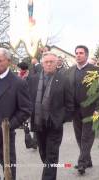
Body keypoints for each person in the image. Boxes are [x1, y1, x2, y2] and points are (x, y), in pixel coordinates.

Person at [0, 47, 32, 180]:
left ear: (8, 61)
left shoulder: (18, 83)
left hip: (3, 136)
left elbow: (26, 109)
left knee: (8, 170)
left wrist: (8, 126)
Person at [28, 52, 74, 180]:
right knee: (43, 154)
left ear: (56, 63)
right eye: (46, 62)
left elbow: (70, 104)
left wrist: (61, 119)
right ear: (42, 63)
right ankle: (50, 173)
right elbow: (28, 100)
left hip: (54, 124)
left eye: (51, 62)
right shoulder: (33, 79)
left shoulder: (64, 80)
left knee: (52, 155)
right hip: (38, 123)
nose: (49, 64)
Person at [67, 45, 99, 175]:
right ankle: (88, 160)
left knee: (87, 137)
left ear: (86, 55)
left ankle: (82, 163)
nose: (78, 55)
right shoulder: (69, 71)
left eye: (81, 53)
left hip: (91, 111)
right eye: (76, 53)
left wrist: (98, 109)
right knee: (79, 137)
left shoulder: (95, 70)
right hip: (75, 111)